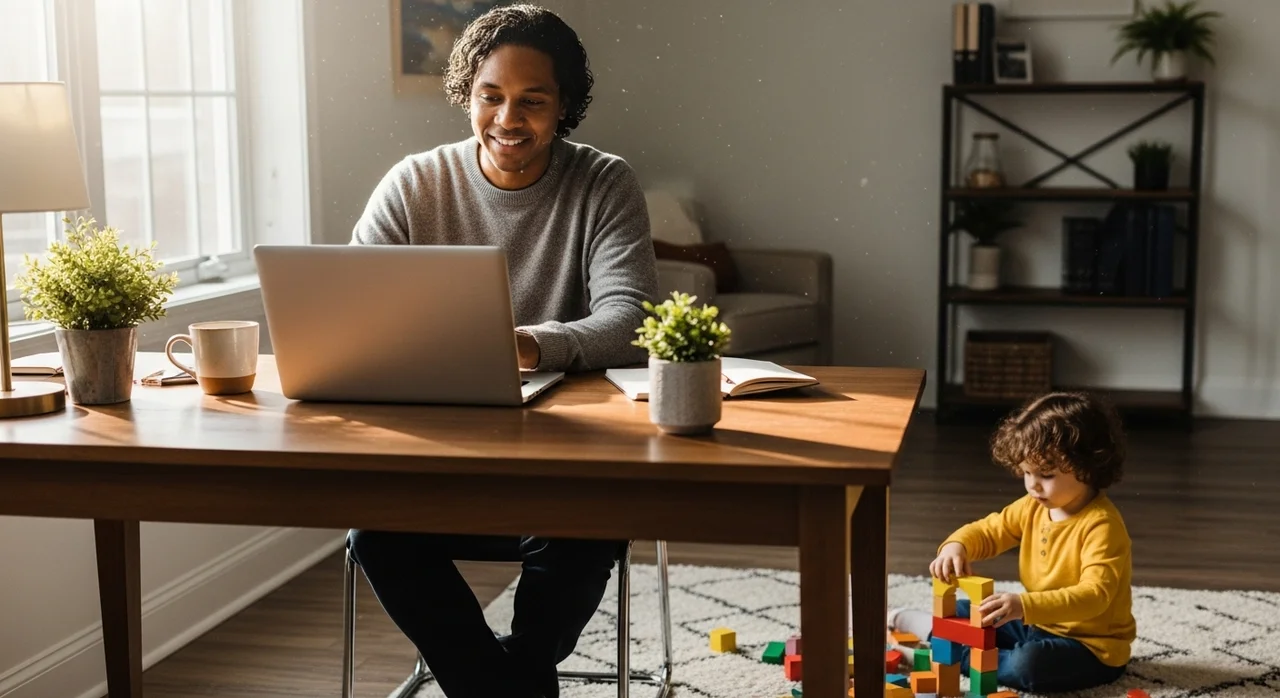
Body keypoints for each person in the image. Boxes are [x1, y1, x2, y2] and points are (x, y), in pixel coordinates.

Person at [345, 5, 658, 698]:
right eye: (491, 96)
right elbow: (351, 304)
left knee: (580, 534)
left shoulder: (604, 183)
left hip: (569, 453)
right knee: (376, 534)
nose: (508, 119)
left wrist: (530, 344)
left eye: (533, 101)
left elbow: (631, 318)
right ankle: (509, 687)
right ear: (467, 94)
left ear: (565, 106)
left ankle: (500, 681)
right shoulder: (414, 183)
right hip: (441, 448)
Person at [888, 391, 1136, 694]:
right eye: (1027, 472)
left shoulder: (1102, 525)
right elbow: (991, 530)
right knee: (966, 611)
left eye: (1045, 474)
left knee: (1027, 665)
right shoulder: (1035, 505)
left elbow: (1094, 596)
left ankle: (946, 653)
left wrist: (1023, 605)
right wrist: (957, 545)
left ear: (1088, 466)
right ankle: (929, 627)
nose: (1032, 485)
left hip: (1091, 647)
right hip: (1036, 623)